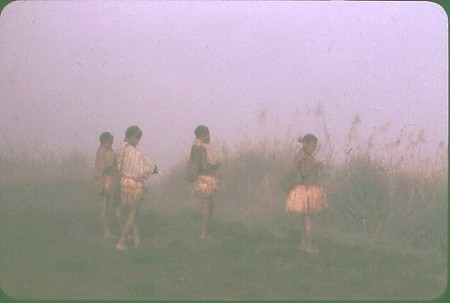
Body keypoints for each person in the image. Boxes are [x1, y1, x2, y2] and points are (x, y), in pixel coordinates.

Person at [115, 126, 160, 251]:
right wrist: (153, 169)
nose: (138, 141)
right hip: (134, 184)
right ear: (131, 137)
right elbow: (139, 171)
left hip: (124, 182)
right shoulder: (132, 151)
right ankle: (121, 242)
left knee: (132, 212)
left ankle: (137, 241)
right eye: (137, 138)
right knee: (133, 213)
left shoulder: (120, 147)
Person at [285, 134, 327, 253]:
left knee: (306, 218)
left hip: (310, 189)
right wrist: (316, 167)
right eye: (312, 146)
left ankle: (304, 243)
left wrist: (316, 165)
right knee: (308, 218)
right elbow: (304, 173)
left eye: (315, 146)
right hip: (308, 191)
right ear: (305, 145)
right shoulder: (303, 158)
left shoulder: (307, 157)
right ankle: (308, 245)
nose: (313, 148)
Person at [188, 125, 220, 240]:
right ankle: (204, 233)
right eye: (207, 134)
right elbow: (204, 166)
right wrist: (216, 165)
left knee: (209, 205)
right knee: (207, 206)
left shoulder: (197, 146)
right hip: (204, 179)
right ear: (202, 135)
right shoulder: (201, 148)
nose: (209, 137)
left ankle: (205, 232)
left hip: (202, 179)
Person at [94, 132, 121, 239]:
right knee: (115, 206)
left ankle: (107, 231)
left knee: (105, 206)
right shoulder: (108, 153)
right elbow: (109, 169)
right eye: (110, 141)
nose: (111, 143)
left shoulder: (99, 152)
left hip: (101, 181)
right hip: (109, 182)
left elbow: (99, 169)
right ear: (106, 141)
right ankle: (123, 231)